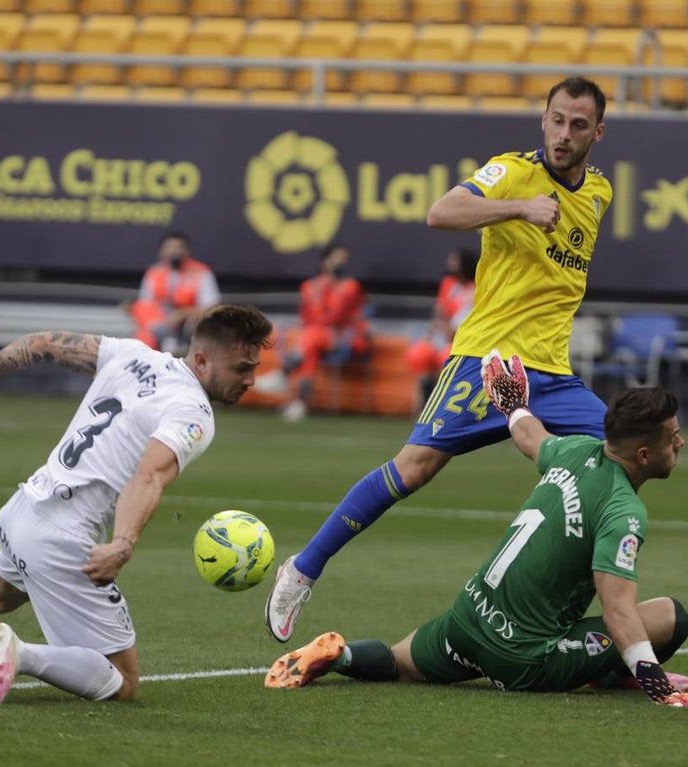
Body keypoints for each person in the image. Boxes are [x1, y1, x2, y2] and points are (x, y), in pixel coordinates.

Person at [266, 76, 614, 643]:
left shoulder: (599, 192)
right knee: (415, 467)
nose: (564, 134)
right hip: (488, 358)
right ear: (543, 119)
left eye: (578, 125)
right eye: (556, 120)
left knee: (619, 455)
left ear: (597, 133)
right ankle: (302, 569)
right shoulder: (512, 172)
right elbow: (441, 211)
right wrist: (520, 209)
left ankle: (563, 606)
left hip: (553, 372)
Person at [264, 353, 688, 709]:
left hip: (466, 620)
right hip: (525, 660)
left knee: (399, 663)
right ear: (643, 455)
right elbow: (618, 610)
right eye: (672, 437)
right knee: (672, 617)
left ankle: (339, 656)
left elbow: (528, 436)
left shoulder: (575, 448)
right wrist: (659, 686)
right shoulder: (624, 510)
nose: (680, 442)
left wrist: (513, 403)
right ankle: (610, 674)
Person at [0, 305, 273, 705]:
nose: (250, 380)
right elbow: (149, 477)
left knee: (1, 594)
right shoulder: (192, 411)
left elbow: (43, 343)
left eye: (253, 368)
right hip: (61, 539)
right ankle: (19, 653)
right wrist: (123, 544)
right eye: (241, 368)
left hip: (24, 507)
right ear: (202, 360)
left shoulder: (132, 353)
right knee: (124, 681)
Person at [254, 244, 371, 422]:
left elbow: (337, 316)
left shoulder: (351, 286)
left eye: (344, 260)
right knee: (311, 347)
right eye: (337, 258)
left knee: (311, 337)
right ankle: (300, 402)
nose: (341, 263)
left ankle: (285, 374)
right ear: (325, 262)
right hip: (319, 337)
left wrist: (324, 326)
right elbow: (306, 318)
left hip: (348, 338)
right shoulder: (309, 286)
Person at [403, 248, 478, 407]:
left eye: (455, 260)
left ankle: (441, 404)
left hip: (460, 341)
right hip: (441, 335)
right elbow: (439, 312)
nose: (450, 263)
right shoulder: (448, 283)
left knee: (446, 357)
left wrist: (445, 327)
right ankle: (422, 406)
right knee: (419, 353)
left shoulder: (476, 289)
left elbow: (459, 325)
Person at [128, 231, 221, 354]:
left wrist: (183, 314)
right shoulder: (154, 272)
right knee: (143, 337)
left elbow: (212, 306)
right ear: (161, 252)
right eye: (170, 247)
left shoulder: (201, 272)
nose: (174, 251)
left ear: (187, 251)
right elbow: (145, 304)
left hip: (189, 326)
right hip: (160, 325)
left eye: (179, 247)